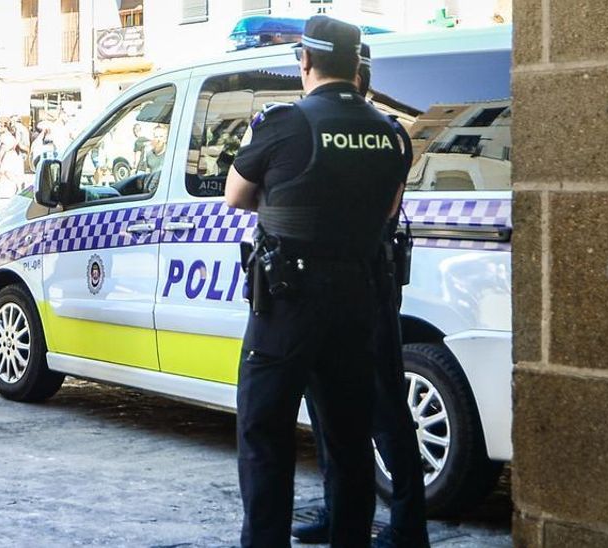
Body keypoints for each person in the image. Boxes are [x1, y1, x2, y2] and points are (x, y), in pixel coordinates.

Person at [224, 16, 408, 547]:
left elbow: (235, 196)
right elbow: (388, 207)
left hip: (289, 302)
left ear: (303, 61)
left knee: (265, 433)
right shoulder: (389, 132)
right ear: (357, 65)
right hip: (359, 298)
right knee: (349, 437)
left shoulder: (284, 123)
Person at [292, 43, 428, 548]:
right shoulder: (387, 132)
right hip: (367, 281)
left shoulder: (378, 131)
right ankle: (341, 509)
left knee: (383, 410)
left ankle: (407, 526)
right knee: (336, 408)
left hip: (364, 281)